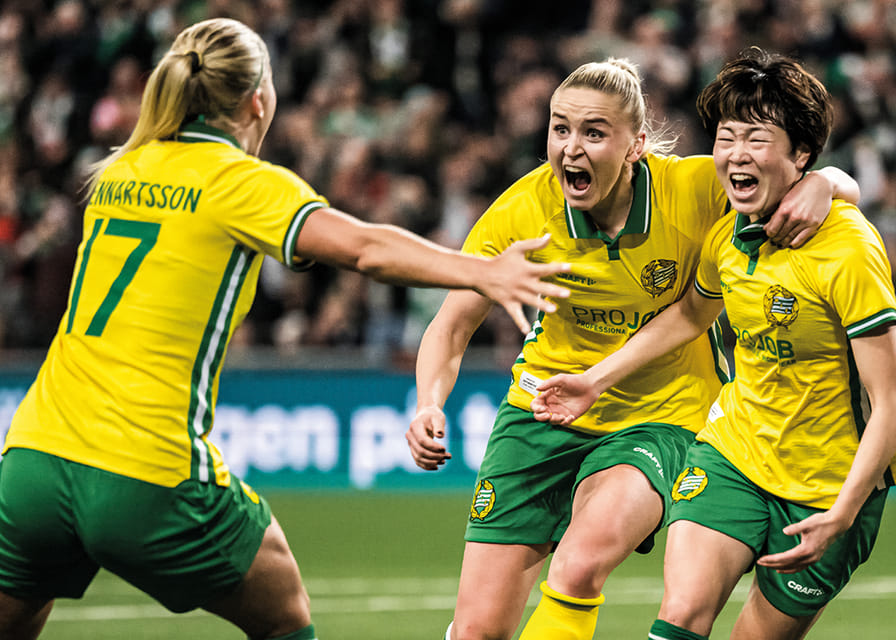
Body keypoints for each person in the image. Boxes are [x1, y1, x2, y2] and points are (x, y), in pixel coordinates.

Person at [0, 18, 575, 640]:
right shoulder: (238, 183)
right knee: (287, 618)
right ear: (258, 99)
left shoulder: (121, 171)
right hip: (145, 471)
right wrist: (481, 270)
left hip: (32, 460)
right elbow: (363, 249)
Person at [405, 56, 861, 640]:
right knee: (477, 631)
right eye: (560, 127)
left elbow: (801, 178)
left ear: (636, 144)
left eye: (594, 132)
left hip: (662, 415)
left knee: (579, 564)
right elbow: (451, 325)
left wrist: (826, 183)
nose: (571, 147)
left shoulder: (694, 188)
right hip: (540, 409)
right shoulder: (523, 211)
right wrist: (427, 403)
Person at [531, 48, 896, 640]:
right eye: (727, 138)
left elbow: (890, 400)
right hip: (734, 457)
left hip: (828, 490)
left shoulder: (850, 249)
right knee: (677, 620)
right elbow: (689, 315)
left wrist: (845, 511)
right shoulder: (727, 236)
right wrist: (594, 379)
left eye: (757, 139)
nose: (735, 155)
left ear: (800, 153)